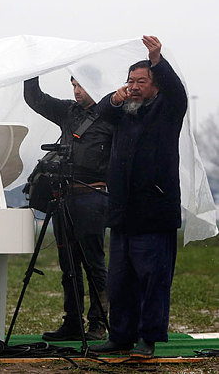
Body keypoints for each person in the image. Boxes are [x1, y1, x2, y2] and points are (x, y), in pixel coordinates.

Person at [89, 36, 187, 359]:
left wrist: (157, 59)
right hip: (122, 214)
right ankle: (120, 336)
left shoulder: (167, 109)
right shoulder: (124, 112)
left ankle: (148, 339)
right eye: (129, 81)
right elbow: (102, 112)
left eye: (141, 81)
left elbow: (178, 92)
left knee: (152, 280)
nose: (133, 86)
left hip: (154, 212)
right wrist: (114, 98)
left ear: (154, 86)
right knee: (120, 281)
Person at [23, 73, 113, 341]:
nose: (76, 90)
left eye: (81, 85)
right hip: (64, 196)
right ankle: (72, 322)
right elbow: (35, 99)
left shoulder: (111, 115)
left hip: (93, 195)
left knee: (93, 263)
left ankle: (98, 323)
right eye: (73, 85)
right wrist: (32, 70)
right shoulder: (67, 111)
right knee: (68, 263)